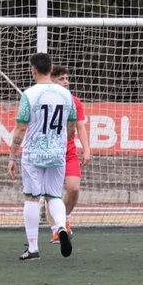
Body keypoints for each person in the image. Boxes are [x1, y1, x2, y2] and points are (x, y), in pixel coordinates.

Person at [8, 52, 79, 260]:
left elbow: (21, 127)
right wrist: (61, 143)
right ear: (51, 69)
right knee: (54, 196)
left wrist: (12, 156)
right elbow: (72, 126)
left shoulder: (29, 95)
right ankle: (61, 226)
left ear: (34, 70)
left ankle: (33, 248)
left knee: (31, 198)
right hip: (57, 153)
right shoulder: (66, 95)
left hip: (34, 153)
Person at [49, 65, 91, 224]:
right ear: (51, 80)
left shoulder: (75, 101)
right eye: (61, 79)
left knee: (74, 189)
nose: (66, 81)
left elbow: (80, 126)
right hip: (50, 151)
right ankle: (56, 228)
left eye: (67, 78)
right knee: (51, 194)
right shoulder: (45, 100)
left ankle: (64, 219)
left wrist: (86, 149)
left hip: (69, 152)